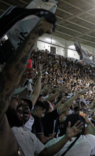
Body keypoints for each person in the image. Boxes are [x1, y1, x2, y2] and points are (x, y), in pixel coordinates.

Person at [0, 17, 54, 156]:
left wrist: (23, 78)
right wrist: (33, 35)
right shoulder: (4, 123)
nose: (21, 102)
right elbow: (8, 82)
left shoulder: (23, 133)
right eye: (17, 100)